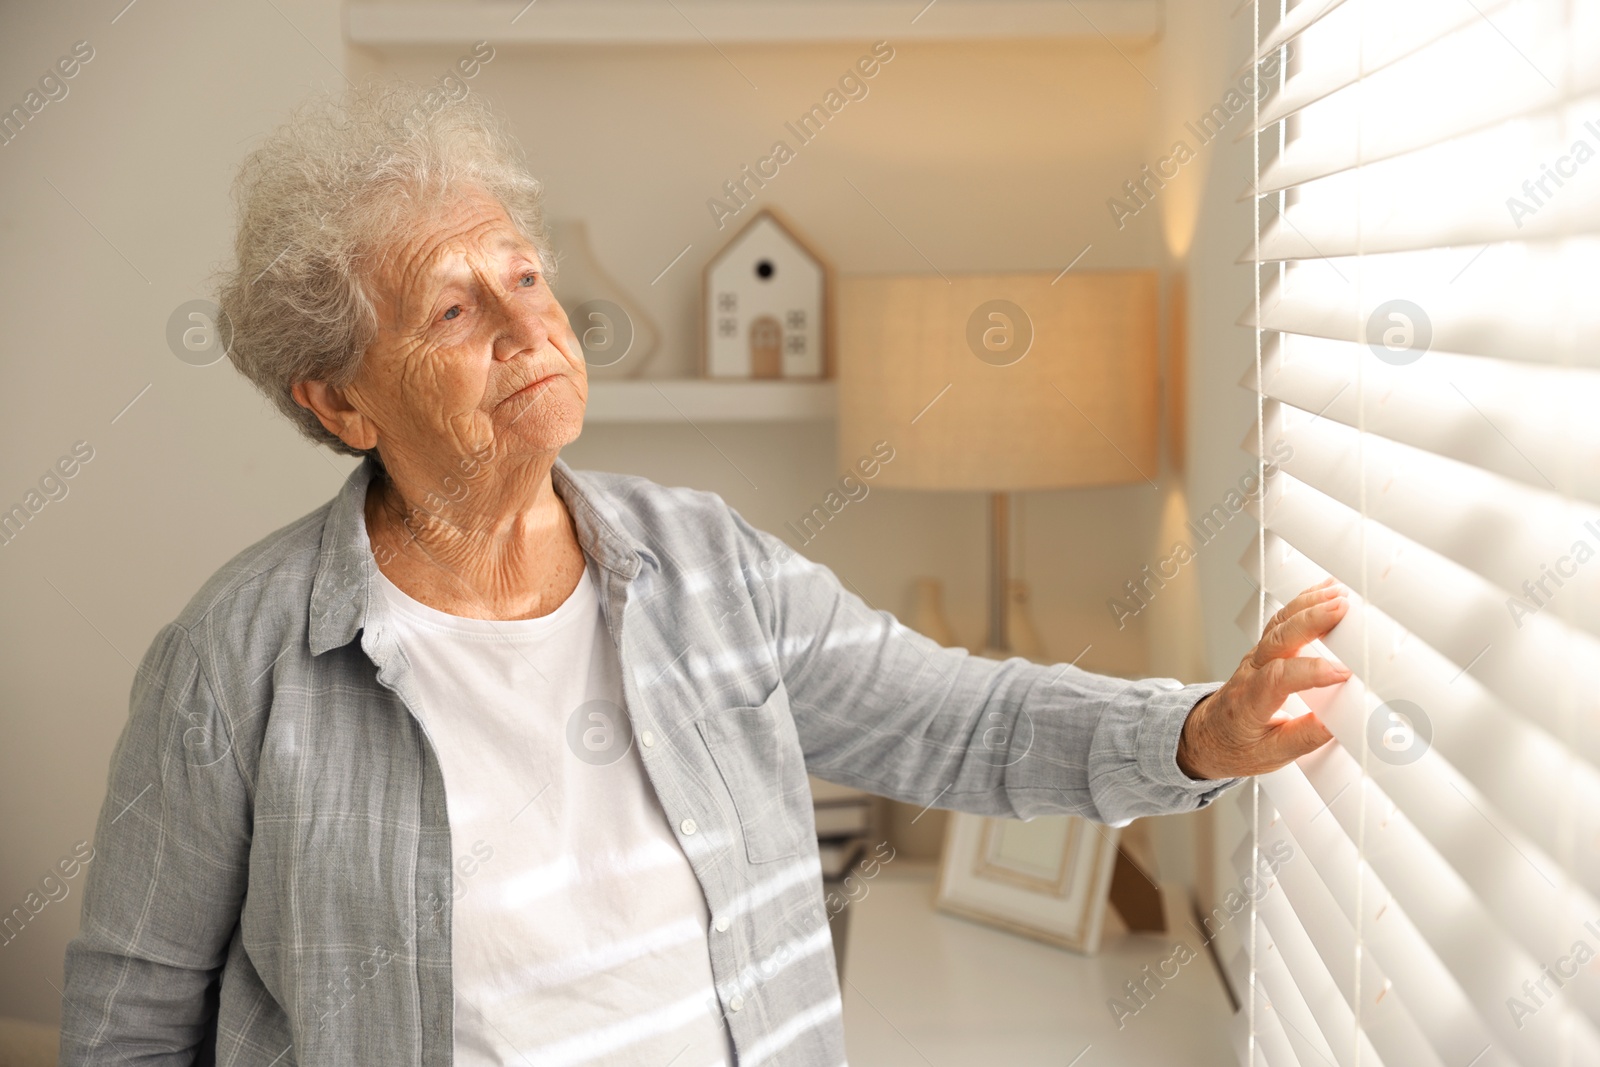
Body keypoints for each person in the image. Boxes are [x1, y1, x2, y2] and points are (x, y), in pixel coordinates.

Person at [60, 80, 1349, 1066]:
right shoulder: (236, 662)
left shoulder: (707, 565)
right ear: (342, 400)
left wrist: (1195, 733)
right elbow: (134, 1015)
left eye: (525, 274)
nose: (532, 327)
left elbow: (950, 719)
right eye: (454, 311)